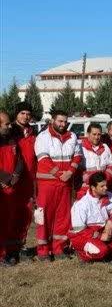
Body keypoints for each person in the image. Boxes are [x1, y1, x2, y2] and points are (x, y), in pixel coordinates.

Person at [33, 110, 81, 260]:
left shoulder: (72, 136)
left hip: (65, 183)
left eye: (65, 121)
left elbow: (77, 155)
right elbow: (43, 159)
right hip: (48, 183)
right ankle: (43, 250)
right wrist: (61, 174)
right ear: (52, 120)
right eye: (60, 121)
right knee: (44, 216)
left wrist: (70, 171)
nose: (62, 124)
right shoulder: (43, 137)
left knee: (63, 216)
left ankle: (59, 248)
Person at [68, 172, 112, 263]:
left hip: (102, 230)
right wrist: (100, 236)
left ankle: (111, 254)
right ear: (93, 188)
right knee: (101, 251)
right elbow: (79, 230)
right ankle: (82, 254)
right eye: (102, 186)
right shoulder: (81, 204)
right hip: (83, 235)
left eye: (106, 185)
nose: (106, 188)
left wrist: (110, 221)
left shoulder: (108, 195)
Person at [8, 102, 36, 263]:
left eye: (28, 113)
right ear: (16, 114)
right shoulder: (10, 132)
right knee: (11, 214)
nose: (25, 116)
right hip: (14, 179)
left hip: (29, 180)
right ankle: (9, 248)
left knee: (26, 214)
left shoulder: (32, 133)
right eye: (22, 113)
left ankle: (20, 245)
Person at [0, 112, 23, 264]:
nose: (10, 126)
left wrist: (16, 175)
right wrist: (5, 179)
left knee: (6, 222)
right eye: (6, 124)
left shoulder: (12, 139)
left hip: (10, 187)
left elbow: (20, 159)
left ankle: (4, 253)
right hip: (2, 186)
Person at [76, 122, 112, 199]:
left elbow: (111, 164)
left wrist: (105, 179)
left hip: (102, 189)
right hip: (85, 189)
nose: (97, 137)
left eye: (99, 134)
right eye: (94, 134)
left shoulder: (105, 147)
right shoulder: (80, 148)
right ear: (88, 134)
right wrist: (90, 179)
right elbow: (77, 170)